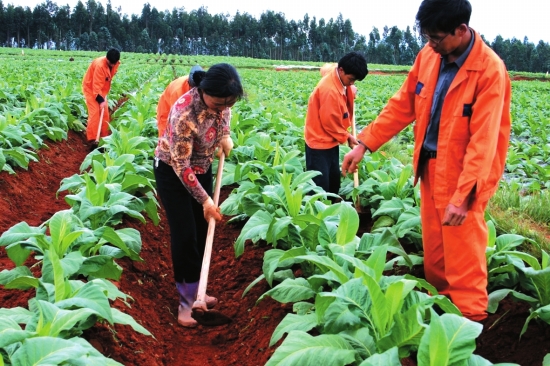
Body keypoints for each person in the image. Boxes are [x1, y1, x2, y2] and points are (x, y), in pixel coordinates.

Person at [341, 0, 511, 322]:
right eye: (427, 37)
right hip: (430, 169)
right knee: (434, 255)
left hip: (464, 176)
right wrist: (364, 142)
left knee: (463, 261)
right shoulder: (429, 56)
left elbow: (484, 142)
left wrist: (464, 197)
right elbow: (402, 104)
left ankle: (466, 331)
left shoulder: (489, 70)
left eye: (437, 38)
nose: (431, 45)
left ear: (461, 30)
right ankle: (439, 319)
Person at [153, 63, 244, 328]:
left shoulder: (223, 104)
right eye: (216, 105)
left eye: (226, 105)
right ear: (204, 91)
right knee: (185, 235)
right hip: (174, 172)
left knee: (204, 230)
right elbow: (182, 166)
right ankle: (185, 302)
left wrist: (224, 136)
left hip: (201, 168)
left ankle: (199, 292)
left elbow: (222, 119)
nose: (222, 109)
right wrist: (205, 200)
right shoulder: (183, 112)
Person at [304, 52, 368, 195]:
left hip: (331, 141)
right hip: (319, 143)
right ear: (341, 71)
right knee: (319, 187)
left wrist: (350, 88)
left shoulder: (337, 73)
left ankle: (331, 210)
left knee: (333, 181)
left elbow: (327, 68)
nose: (352, 83)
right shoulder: (330, 91)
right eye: (351, 79)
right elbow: (330, 124)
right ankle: (316, 214)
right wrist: (347, 137)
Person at [82, 48, 121, 149]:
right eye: (110, 63)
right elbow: (95, 87)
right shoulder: (100, 65)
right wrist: (101, 101)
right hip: (91, 89)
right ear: (106, 59)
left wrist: (103, 99)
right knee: (95, 113)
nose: (112, 65)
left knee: (105, 115)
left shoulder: (115, 62)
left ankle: (104, 139)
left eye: (114, 63)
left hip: (102, 90)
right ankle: (93, 140)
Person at [156, 65, 203, 137]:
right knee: (166, 135)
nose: (195, 91)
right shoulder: (178, 91)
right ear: (189, 83)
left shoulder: (201, 83)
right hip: (167, 110)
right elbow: (176, 117)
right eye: (193, 88)